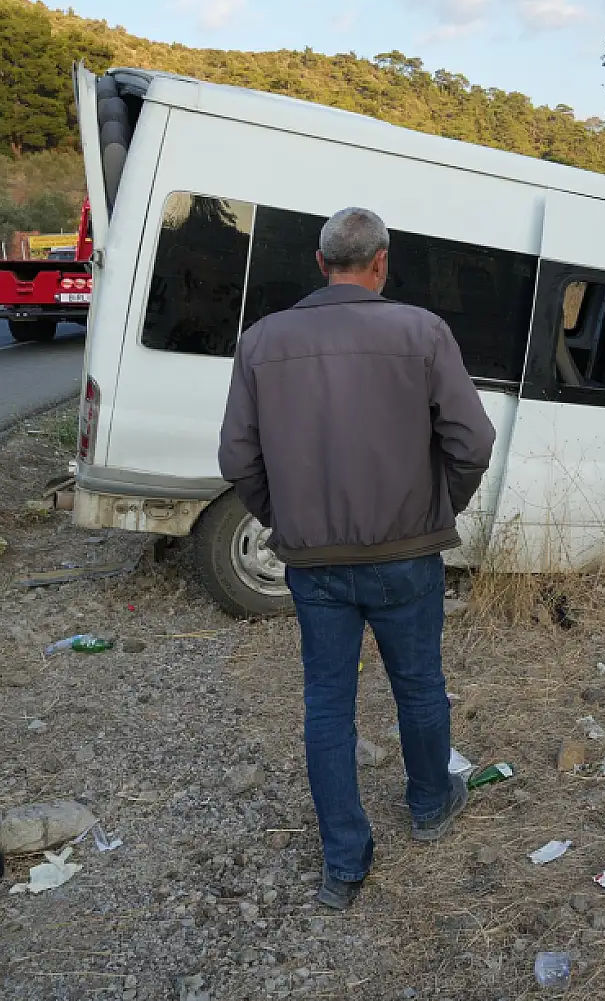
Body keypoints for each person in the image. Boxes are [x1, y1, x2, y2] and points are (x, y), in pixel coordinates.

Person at [217, 207, 496, 911]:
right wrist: (437, 509)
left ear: (321, 263)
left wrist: (285, 516)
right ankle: (431, 805)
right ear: (381, 263)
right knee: (420, 686)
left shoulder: (262, 341)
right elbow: (473, 442)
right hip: (407, 554)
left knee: (327, 705)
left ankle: (343, 862)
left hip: (314, 561)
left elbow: (237, 459)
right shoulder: (423, 332)